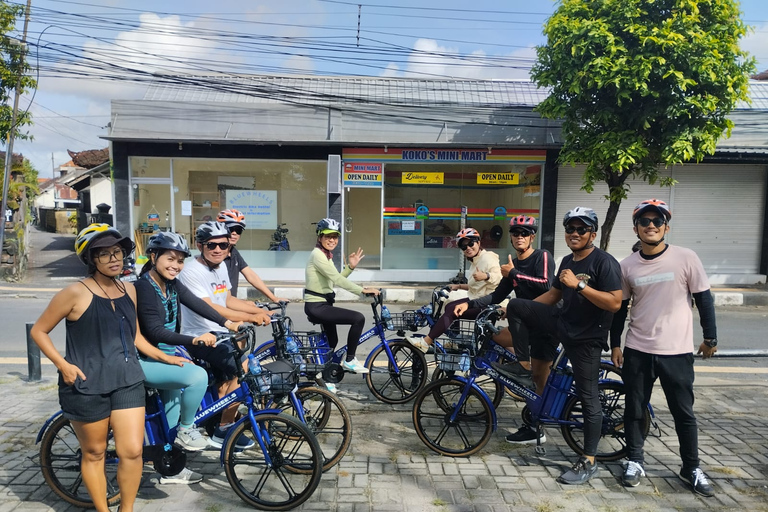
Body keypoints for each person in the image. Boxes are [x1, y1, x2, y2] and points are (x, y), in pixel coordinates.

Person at [30, 224, 189, 512]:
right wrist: (62, 364)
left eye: (117, 251)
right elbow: (39, 331)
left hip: (127, 379)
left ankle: (126, 509)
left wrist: (167, 358)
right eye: (104, 254)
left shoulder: (129, 289)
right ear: (91, 260)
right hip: (86, 383)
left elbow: (136, 336)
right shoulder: (74, 293)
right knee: (95, 452)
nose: (114, 258)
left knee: (132, 451)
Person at [493, 207, 622, 485]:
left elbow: (614, 302)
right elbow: (552, 295)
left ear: (593, 234)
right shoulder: (567, 260)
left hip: (586, 338)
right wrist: (520, 310)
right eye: (570, 229)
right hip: (563, 323)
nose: (574, 234)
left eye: (581, 229)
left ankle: (588, 460)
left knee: (588, 397)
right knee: (516, 305)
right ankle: (524, 366)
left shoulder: (604, 262)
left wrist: (579, 286)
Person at [610, 199, 717, 496]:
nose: (651, 226)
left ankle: (691, 467)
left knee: (683, 413)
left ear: (666, 228)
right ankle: (634, 460)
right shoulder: (626, 266)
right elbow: (619, 309)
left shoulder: (686, 258)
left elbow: (704, 300)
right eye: (645, 222)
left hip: (676, 352)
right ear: (636, 229)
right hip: (637, 350)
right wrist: (614, 344)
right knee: (633, 409)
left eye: (657, 221)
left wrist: (711, 339)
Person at [135, 231, 241, 484]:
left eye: (180, 260)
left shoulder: (171, 284)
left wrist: (228, 322)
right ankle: (187, 428)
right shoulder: (144, 287)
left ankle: (172, 469)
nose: (176, 265)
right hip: (147, 360)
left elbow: (197, 303)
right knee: (197, 376)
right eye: (170, 259)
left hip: (168, 358)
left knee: (171, 419)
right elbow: (155, 331)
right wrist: (193, 340)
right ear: (153, 256)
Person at [453, 215, 555, 444]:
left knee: (540, 381)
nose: (520, 236)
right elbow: (496, 296)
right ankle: (531, 420)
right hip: (530, 325)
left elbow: (546, 285)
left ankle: (523, 369)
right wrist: (467, 303)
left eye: (525, 233)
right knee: (495, 336)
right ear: (511, 236)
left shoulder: (542, 256)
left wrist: (514, 274)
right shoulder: (514, 265)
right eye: (516, 232)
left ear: (532, 237)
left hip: (548, 324)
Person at [178, 221, 272, 448]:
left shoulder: (220, 267)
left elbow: (228, 299)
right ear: (200, 246)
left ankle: (216, 422)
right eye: (212, 245)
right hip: (200, 335)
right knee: (244, 369)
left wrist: (259, 309)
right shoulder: (191, 271)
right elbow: (211, 307)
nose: (218, 249)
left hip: (222, 332)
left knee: (227, 381)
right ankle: (224, 429)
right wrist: (248, 319)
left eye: (223, 245)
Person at [304, 218, 380, 392]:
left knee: (333, 340)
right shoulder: (317, 255)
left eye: (335, 237)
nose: (332, 240)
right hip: (317, 306)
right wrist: (362, 291)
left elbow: (335, 279)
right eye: (328, 236)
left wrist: (350, 267)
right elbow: (337, 279)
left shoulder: (324, 255)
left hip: (323, 304)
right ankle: (350, 359)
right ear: (319, 237)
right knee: (358, 318)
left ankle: (325, 377)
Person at [407, 227, 501, 352]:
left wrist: (486, 276)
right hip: (477, 299)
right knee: (450, 305)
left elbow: (499, 278)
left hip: (488, 304)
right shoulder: (475, 262)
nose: (468, 248)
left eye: (471, 243)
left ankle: (426, 342)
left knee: (452, 310)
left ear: (478, 243)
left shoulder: (488, 257)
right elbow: (477, 286)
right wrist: (458, 286)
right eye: (463, 246)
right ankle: (455, 342)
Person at [217, 209, 289, 302]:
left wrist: (273, 298)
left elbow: (251, 276)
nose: (234, 233)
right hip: (217, 310)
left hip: (230, 305)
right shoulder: (216, 257)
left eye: (238, 230)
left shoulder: (234, 252)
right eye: (230, 229)